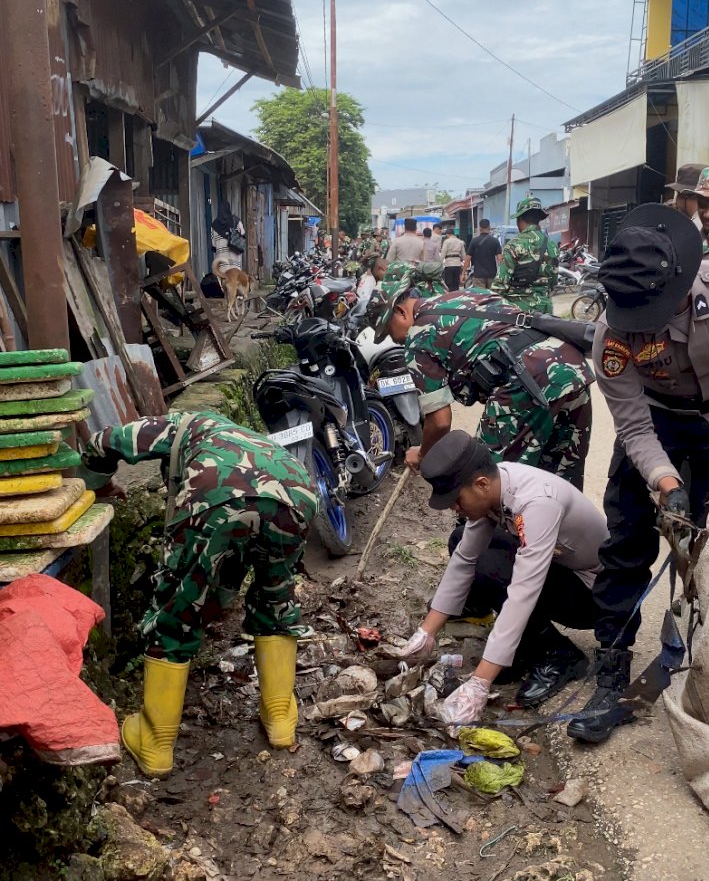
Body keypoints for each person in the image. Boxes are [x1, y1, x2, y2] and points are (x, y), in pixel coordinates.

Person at [566, 204, 709, 746]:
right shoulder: (611, 337)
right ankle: (612, 674)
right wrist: (665, 483)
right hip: (661, 422)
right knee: (624, 541)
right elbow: (632, 425)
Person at [80, 412, 318, 775]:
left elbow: (102, 442)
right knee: (276, 598)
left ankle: (156, 743)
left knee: (175, 612)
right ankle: (280, 718)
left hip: (213, 496)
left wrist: (94, 485)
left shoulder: (180, 424)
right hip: (296, 495)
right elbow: (233, 559)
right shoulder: (243, 437)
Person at [398, 432, 607, 717]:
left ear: (481, 484)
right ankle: (518, 649)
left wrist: (479, 683)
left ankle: (559, 656)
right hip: (561, 570)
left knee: (492, 569)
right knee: (461, 540)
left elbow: (523, 591)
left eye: (457, 500)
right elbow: (464, 557)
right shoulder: (497, 486)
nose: (454, 507)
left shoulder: (537, 503)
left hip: (594, 594)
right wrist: (426, 634)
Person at [370, 282, 593, 489]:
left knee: (490, 484)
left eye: (389, 331)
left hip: (524, 384)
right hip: (570, 368)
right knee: (563, 480)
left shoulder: (418, 339)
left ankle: (499, 532)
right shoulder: (469, 293)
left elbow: (439, 422)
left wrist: (422, 454)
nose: (395, 339)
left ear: (400, 311)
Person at [492, 196, 559, 313]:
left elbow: (500, 286)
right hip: (545, 312)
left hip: (518, 313)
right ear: (538, 219)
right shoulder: (551, 245)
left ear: (520, 219)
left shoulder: (514, 245)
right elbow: (553, 282)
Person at [463, 218, 501, 289]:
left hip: (478, 275)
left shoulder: (474, 241)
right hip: (492, 275)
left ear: (480, 228)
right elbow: (500, 259)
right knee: (492, 297)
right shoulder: (495, 241)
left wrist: (463, 273)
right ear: (489, 227)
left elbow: (468, 259)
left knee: (480, 297)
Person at [211, 199, 245, 269]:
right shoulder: (236, 221)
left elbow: (213, 245)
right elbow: (242, 234)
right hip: (235, 265)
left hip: (222, 265)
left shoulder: (214, 225)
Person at [441, 226, 466, 290]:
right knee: (456, 282)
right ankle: (455, 294)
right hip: (457, 264)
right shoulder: (460, 242)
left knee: (449, 283)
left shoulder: (446, 241)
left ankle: (450, 295)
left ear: (447, 234)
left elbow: (443, 253)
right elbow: (463, 255)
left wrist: (440, 262)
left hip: (449, 264)